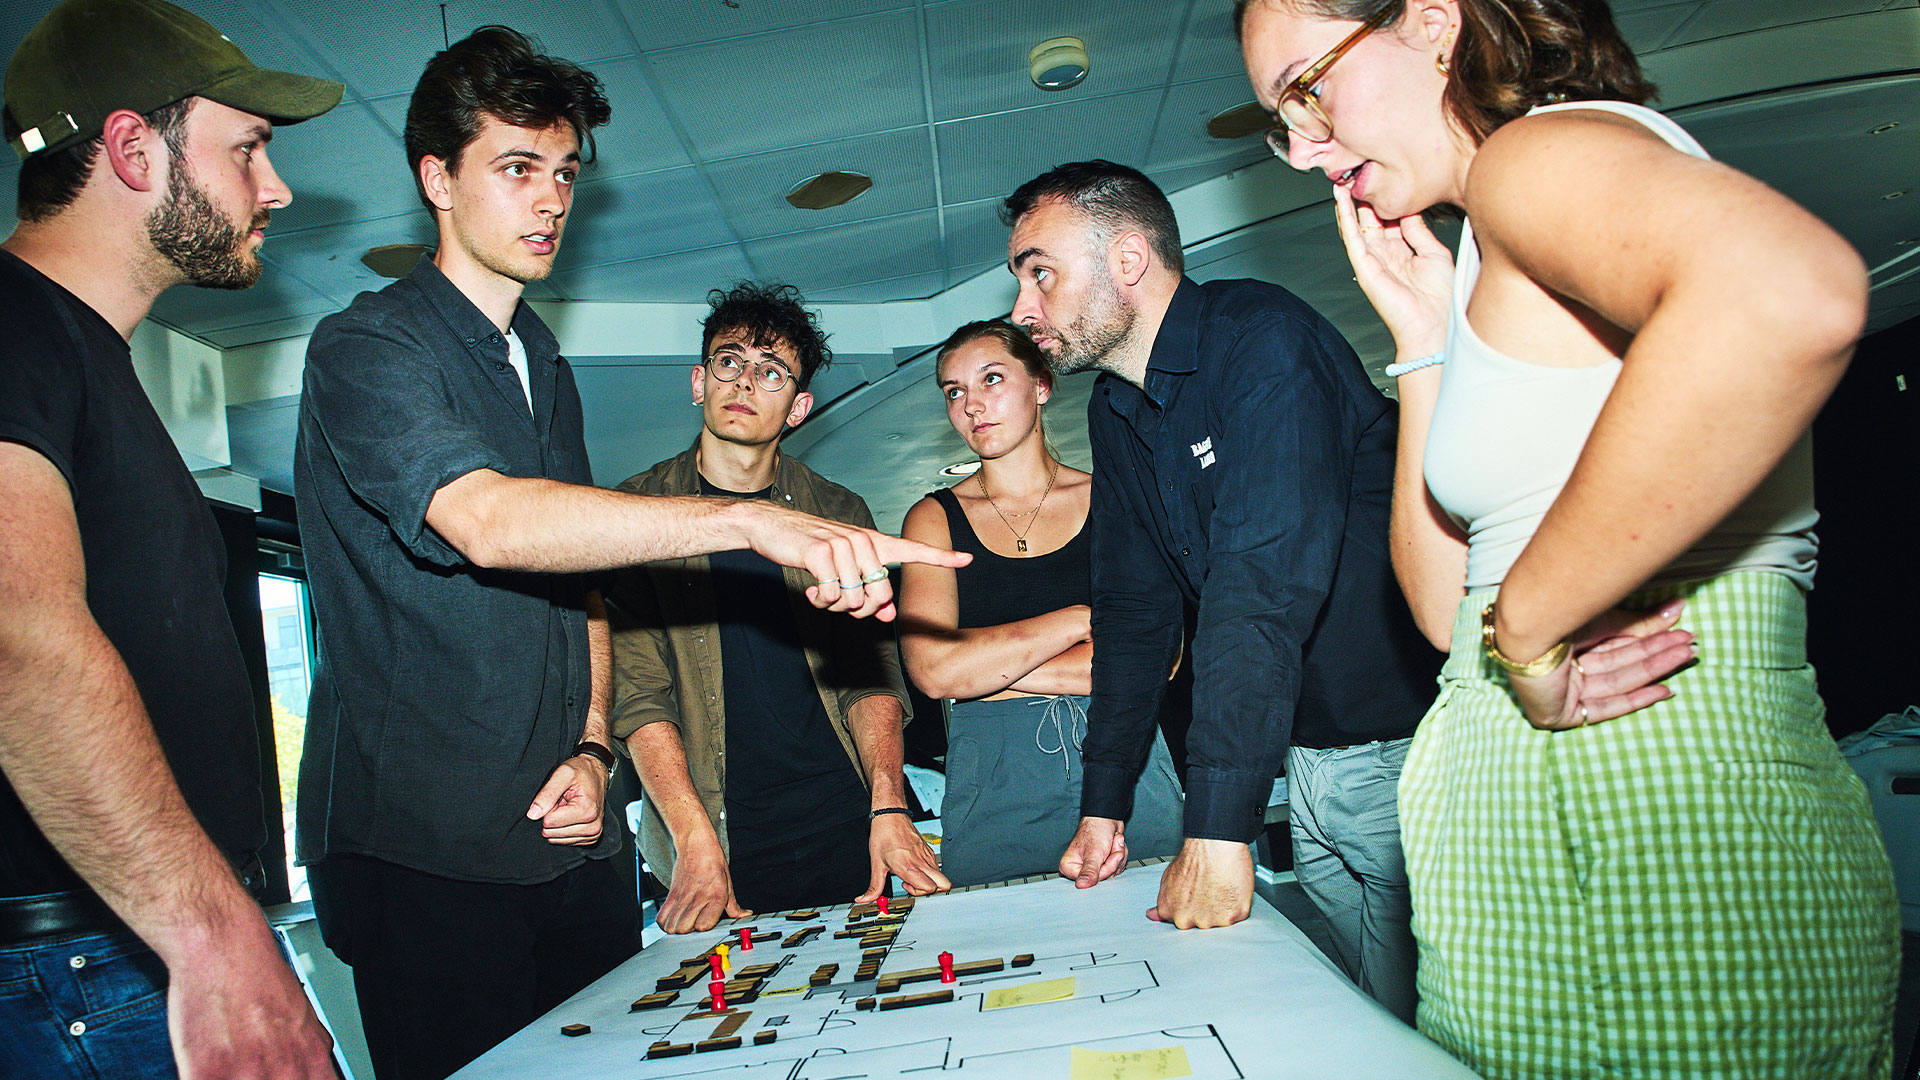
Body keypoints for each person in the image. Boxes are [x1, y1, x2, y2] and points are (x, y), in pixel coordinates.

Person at [1236, 0, 1902, 1075]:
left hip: (1642, 832)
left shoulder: (1535, 156)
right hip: (1557, 844)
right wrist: (1421, 344)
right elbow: (1449, 613)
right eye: (1281, 118)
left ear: (1435, 25)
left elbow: (1789, 293)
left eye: (1307, 88)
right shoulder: (1493, 241)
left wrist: (1532, 623)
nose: (1304, 148)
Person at [293, 30, 963, 1080]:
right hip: (422, 847)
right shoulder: (368, 345)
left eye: (563, 173)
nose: (551, 200)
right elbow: (490, 524)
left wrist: (597, 747)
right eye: (517, 169)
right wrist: (747, 520)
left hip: (578, 836)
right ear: (438, 178)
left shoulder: (543, 365)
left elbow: (584, 594)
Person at [999, 160, 1439, 1020]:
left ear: (1129, 259)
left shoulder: (1262, 337)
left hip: (1401, 755)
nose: (1024, 309)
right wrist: (1105, 808)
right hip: (1305, 759)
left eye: (1040, 272)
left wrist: (1216, 824)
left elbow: (1258, 587)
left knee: (1414, 1033)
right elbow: (1134, 615)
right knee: (1349, 1015)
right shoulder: (1116, 408)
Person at [0, 2, 343, 1077]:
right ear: (133, 149)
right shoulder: (11, 322)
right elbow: (18, 636)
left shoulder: (88, 356)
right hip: (90, 967)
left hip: (130, 952)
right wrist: (218, 939)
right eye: (246, 149)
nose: (275, 187)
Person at [609, 281, 948, 931]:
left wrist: (888, 806)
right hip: (716, 843)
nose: (744, 382)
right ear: (698, 382)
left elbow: (869, 674)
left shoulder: (838, 512)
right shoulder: (639, 515)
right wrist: (693, 839)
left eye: (772, 372)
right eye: (729, 361)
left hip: (846, 824)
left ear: (798, 407)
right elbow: (639, 698)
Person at [898, 319, 1184, 887]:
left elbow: (1160, 660)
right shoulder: (932, 519)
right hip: (993, 781)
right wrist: (1079, 621)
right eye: (954, 392)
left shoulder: (1116, 500)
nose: (972, 405)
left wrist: (986, 673)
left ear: (1042, 384)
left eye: (992, 379)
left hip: (1126, 765)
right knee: (1006, 965)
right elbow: (933, 673)